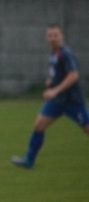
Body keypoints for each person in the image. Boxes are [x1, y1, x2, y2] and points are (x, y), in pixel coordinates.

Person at [11, 25, 88, 169]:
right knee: (39, 125)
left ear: (62, 36)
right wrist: (51, 82)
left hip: (72, 101)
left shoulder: (66, 54)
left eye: (55, 35)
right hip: (57, 101)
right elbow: (59, 74)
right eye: (50, 35)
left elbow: (74, 75)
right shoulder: (54, 54)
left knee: (87, 129)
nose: (52, 38)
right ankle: (29, 160)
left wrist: (55, 90)